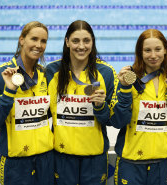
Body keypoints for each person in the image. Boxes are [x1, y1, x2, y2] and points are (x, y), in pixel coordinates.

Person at [46, 20, 117, 185]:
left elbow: (111, 120)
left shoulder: (105, 72)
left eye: (86, 40)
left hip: (94, 157)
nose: (81, 46)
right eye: (76, 40)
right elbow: (42, 109)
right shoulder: (51, 71)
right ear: (67, 42)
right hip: (61, 155)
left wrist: (100, 107)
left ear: (92, 42)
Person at [0, 21, 54, 185]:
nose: (39, 45)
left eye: (43, 41)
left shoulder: (45, 74)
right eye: (34, 39)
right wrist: (9, 91)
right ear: (22, 40)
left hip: (46, 159)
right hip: (15, 163)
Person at [112, 29, 167, 185]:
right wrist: (123, 88)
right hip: (131, 160)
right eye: (147, 50)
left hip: (161, 160)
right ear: (140, 53)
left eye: (157, 49)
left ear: (165, 50)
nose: (153, 55)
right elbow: (118, 121)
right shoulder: (128, 79)